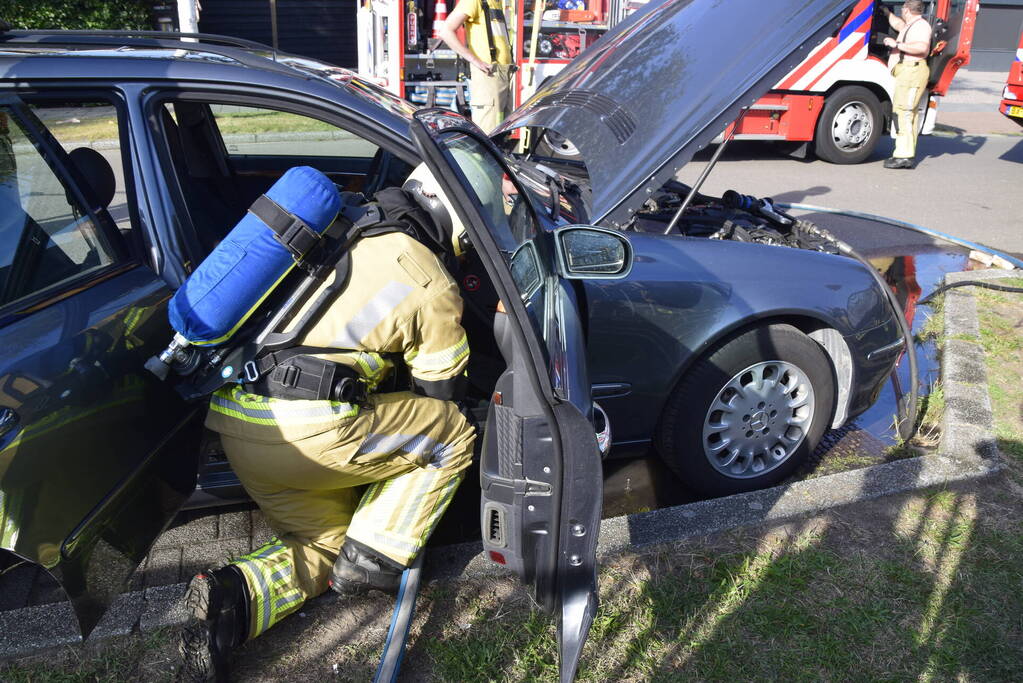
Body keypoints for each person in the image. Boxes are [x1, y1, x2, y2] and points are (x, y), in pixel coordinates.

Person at [178, 167, 477, 682]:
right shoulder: (430, 277)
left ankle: (230, 601)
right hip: (315, 432)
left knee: (324, 542)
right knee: (451, 431)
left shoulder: (340, 221)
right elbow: (442, 388)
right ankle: (374, 558)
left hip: (241, 431)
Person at [436, 0, 514, 133]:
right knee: (487, 132)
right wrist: (475, 60)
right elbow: (445, 31)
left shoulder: (497, 2)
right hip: (489, 74)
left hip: (505, 72)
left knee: (503, 133)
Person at [882, 0, 932, 169]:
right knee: (906, 113)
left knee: (904, 113)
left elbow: (922, 48)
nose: (901, 10)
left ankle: (904, 156)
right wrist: (887, 13)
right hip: (908, 72)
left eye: (903, 7)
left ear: (907, 10)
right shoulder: (910, 25)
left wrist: (896, 45)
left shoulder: (921, 26)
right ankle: (905, 152)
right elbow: (897, 24)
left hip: (912, 72)